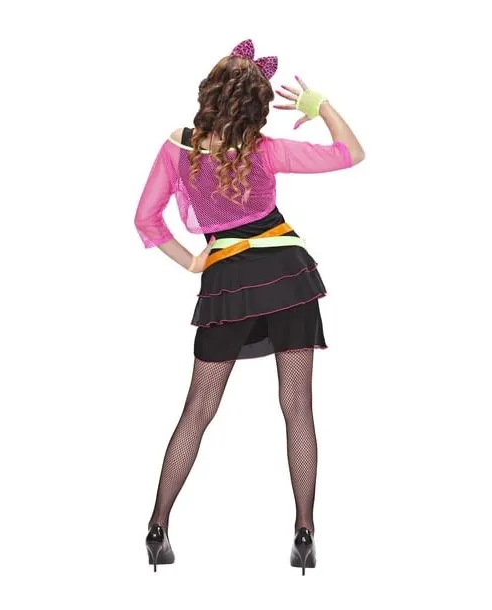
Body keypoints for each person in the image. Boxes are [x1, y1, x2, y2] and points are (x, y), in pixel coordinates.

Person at [134, 39, 365, 575]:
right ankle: (304, 532)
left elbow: (146, 219)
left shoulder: (177, 148)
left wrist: (194, 261)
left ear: (209, 93)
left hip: (228, 286)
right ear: (258, 107)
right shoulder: (266, 150)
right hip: (289, 277)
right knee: (298, 408)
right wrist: (320, 106)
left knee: (197, 410)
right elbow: (350, 153)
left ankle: (157, 527)